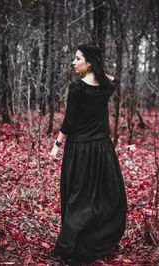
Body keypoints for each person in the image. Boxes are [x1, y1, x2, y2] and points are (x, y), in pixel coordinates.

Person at [49, 43, 127, 262]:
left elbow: (69, 122)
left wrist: (56, 145)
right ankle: (89, 242)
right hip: (102, 149)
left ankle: (67, 247)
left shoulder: (77, 89)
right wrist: (100, 73)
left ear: (89, 62)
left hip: (80, 150)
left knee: (78, 197)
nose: (74, 62)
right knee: (101, 197)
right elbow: (115, 81)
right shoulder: (106, 87)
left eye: (78, 58)